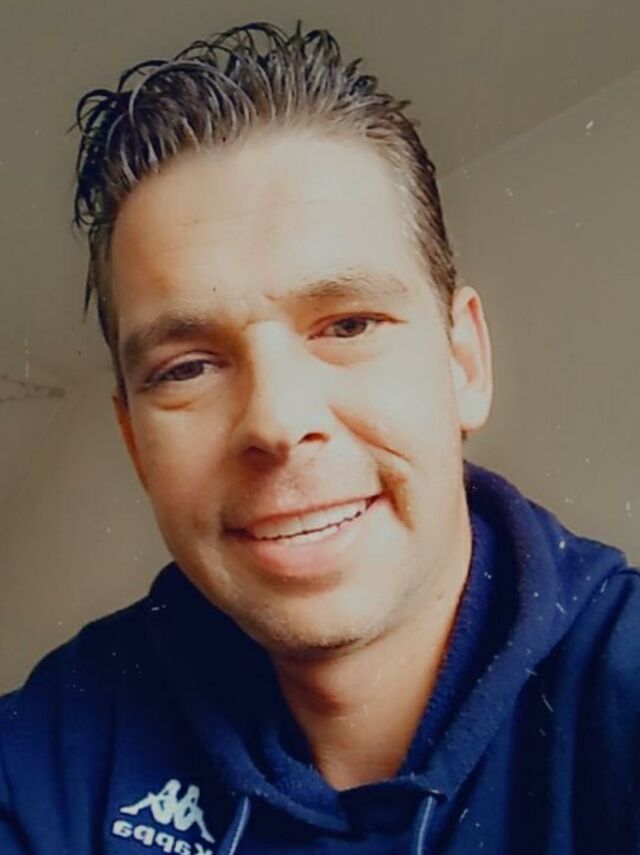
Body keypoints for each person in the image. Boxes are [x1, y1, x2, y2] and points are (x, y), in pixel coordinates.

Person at [1, 21, 638, 855]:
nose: (275, 421)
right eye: (187, 367)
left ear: (464, 362)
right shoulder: (54, 747)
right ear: (134, 441)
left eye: (348, 324)